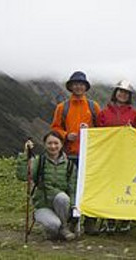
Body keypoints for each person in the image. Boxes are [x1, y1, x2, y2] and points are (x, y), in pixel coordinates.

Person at [51, 71, 101, 235]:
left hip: (89, 155)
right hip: (69, 154)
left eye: (81, 84)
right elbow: (55, 128)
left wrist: (90, 132)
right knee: (71, 188)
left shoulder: (93, 107)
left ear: (85, 87)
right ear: (71, 86)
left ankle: (90, 222)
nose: (78, 86)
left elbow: (100, 129)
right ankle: (73, 220)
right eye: (76, 84)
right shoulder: (62, 107)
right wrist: (66, 136)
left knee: (90, 187)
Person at [97, 79, 136, 233]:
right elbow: (99, 133)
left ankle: (125, 219)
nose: (122, 94)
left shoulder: (134, 114)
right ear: (115, 93)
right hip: (109, 156)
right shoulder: (104, 113)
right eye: (120, 91)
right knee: (110, 187)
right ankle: (110, 220)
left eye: (126, 92)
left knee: (126, 187)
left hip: (127, 156)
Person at [16, 131, 77, 241]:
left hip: (62, 206)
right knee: (53, 225)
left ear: (61, 144)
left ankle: (63, 227)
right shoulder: (38, 162)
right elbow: (22, 176)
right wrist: (26, 154)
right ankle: (54, 228)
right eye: (49, 143)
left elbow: (72, 189)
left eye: (56, 143)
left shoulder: (70, 166)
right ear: (45, 144)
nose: (53, 146)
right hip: (43, 206)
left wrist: (73, 208)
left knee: (62, 197)